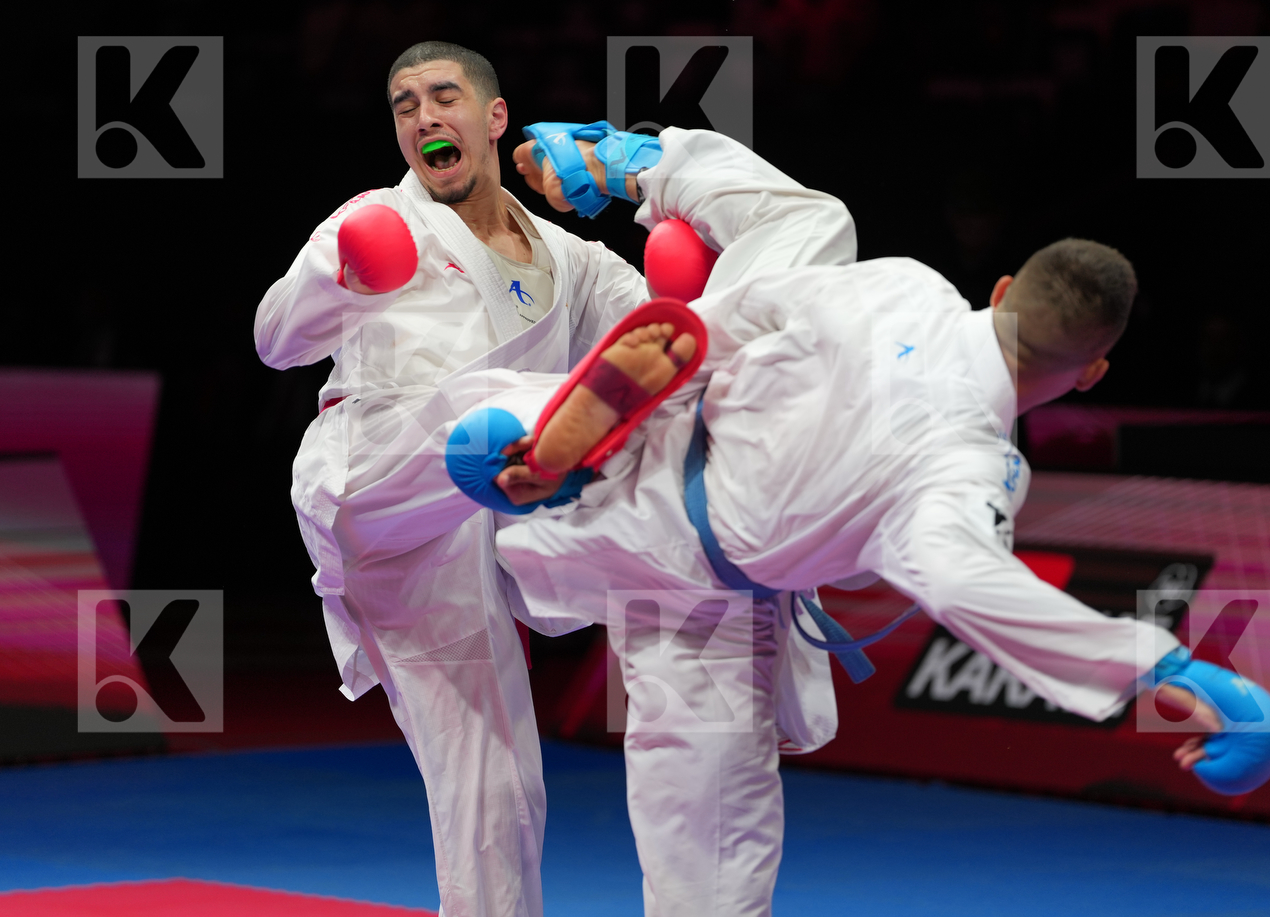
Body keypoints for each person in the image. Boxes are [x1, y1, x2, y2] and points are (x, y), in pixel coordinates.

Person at [440, 132, 1270, 916]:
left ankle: (620, 167)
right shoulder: (969, 469)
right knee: (712, 874)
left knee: (813, 223)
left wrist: (701, 331)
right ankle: (579, 440)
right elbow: (974, 589)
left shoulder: (907, 285)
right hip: (700, 595)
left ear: (1000, 292)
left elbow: (759, 307)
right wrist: (1167, 669)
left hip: (666, 425)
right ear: (1093, 371)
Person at [254, 50, 855, 916]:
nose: (423, 117)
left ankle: (767, 636)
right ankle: (560, 433)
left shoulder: (573, 261)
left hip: (495, 510)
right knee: (490, 410)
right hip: (376, 480)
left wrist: (692, 294)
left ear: (495, 118)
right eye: (404, 105)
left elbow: (661, 341)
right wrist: (339, 273)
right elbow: (275, 341)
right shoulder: (375, 216)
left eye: (443, 97)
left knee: (496, 792)